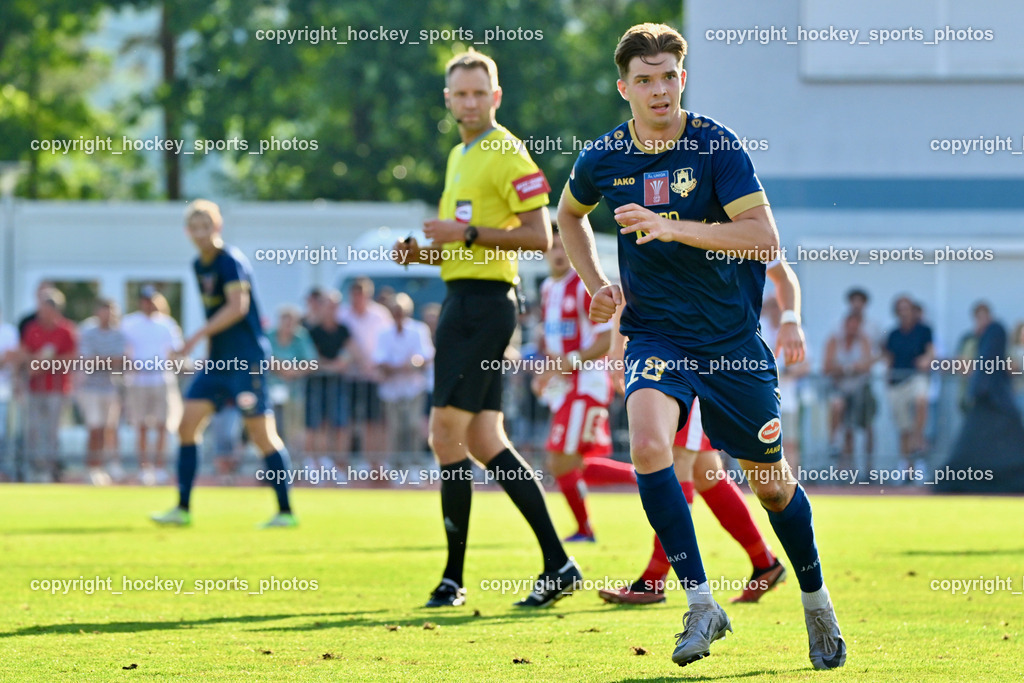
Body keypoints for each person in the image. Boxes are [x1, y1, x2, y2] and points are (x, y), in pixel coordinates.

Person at [556, 24, 844, 669]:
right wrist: (598, 284)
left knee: (770, 486)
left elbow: (764, 240)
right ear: (624, 87)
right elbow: (568, 215)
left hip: (731, 342)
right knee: (650, 444)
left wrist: (670, 228)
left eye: (669, 76)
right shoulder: (603, 156)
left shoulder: (716, 146)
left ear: (682, 78)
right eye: (645, 79)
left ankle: (816, 603)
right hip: (656, 333)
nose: (659, 90)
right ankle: (700, 602)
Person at [393, 48, 581, 609]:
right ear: (448, 99)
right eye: (461, 93)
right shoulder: (459, 154)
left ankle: (453, 578)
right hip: (466, 299)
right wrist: (421, 255)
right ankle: (559, 563)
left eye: (480, 92)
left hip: (483, 308)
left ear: (495, 97)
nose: (470, 101)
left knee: (444, 436)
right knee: (479, 439)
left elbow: (539, 239)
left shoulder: (507, 152)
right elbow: (461, 248)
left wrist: (466, 232)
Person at [150, 199, 295, 528]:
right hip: (218, 361)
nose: (201, 233)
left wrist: (194, 338)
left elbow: (237, 307)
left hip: (246, 360)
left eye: (207, 226)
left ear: (218, 227)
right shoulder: (198, 265)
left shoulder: (230, 261)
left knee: (261, 435)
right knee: (186, 426)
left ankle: (286, 512)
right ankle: (183, 508)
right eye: (195, 227)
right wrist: (207, 350)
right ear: (188, 232)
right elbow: (214, 315)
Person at [533, 228, 635, 542]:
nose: (559, 253)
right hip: (565, 386)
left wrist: (567, 363)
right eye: (553, 246)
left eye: (565, 246)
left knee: (559, 458)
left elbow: (606, 339)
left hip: (586, 382)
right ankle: (655, 478)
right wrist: (547, 374)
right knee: (573, 462)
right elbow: (553, 342)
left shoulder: (582, 286)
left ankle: (586, 527)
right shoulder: (549, 287)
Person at [121, 287, 183, 485]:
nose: (149, 304)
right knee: (141, 425)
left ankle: (160, 467)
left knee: (162, 424)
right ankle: (144, 467)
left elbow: (175, 351)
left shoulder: (167, 324)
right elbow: (123, 350)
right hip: (138, 381)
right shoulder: (130, 323)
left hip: (161, 379)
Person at [373, 293, 434, 475]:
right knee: (395, 428)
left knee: (414, 426)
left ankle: (414, 464)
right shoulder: (384, 332)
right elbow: (379, 359)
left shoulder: (419, 330)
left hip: (414, 388)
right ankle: (396, 465)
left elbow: (425, 356)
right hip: (391, 391)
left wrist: (411, 364)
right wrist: (398, 367)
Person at [21, 288, 77, 482]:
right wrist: (36, 362)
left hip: (56, 389)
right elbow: (25, 354)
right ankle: (34, 468)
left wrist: (45, 363)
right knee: (34, 429)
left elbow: (71, 358)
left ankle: (50, 469)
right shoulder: (32, 328)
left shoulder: (66, 330)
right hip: (35, 389)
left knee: (52, 431)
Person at [338, 277, 393, 466]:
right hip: (349, 377)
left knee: (373, 421)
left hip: (374, 378)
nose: (358, 298)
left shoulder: (380, 315)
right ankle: (348, 463)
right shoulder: (342, 314)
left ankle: (373, 462)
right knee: (348, 421)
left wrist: (378, 366)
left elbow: (388, 342)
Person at [305, 289, 358, 478]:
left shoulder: (343, 330)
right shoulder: (312, 331)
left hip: (338, 385)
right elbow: (311, 357)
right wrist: (331, 366)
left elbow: (350, 352)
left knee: (341, 424)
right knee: (316, 425)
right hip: (315, 384)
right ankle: (317, 465)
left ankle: (339, 466)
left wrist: (337, 365)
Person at [76, 298, 128, 485]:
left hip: (110, 388)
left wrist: (104, 360)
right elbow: (89, 361)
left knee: (108, 429)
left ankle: (103, 467)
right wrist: (109, 361)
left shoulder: (119, 334)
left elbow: (121, 361)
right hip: (90, 388)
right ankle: (92, 467)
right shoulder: (88, 332)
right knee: (94, 428)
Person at [883, 295, 934, 482]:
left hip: (915, 378)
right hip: (897, 383)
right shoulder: (893, 334)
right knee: (904, 428)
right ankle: (907, 468)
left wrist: (926, 360)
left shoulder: (924, 330)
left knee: (921, 399)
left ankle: (918, 440)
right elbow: (887, 358)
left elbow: (930, 352)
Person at [824, 313, 875, 471]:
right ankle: (841, 459)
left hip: (859, 391)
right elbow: (827, 367)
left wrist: (843, 368)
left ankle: (867, 468)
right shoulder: (834, 341)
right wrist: (850, 368)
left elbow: (866, 366)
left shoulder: (864, 341)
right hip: (840, 389)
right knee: (841, 416)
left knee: (862, 427)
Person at [267, 305, 317, 450]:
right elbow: (262, 357)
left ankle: (293, 464)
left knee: (294, 429)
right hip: (270, 391)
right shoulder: (269, 336)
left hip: (294, 393)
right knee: (271, 426)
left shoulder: (301, 337)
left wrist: (293, 371)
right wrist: (279, 366)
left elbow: (311, 363)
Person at [0, 306, 19, 478]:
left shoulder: (8, 331)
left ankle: (4, 471)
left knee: (4, 433)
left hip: (4, 390)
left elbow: (10, 358)